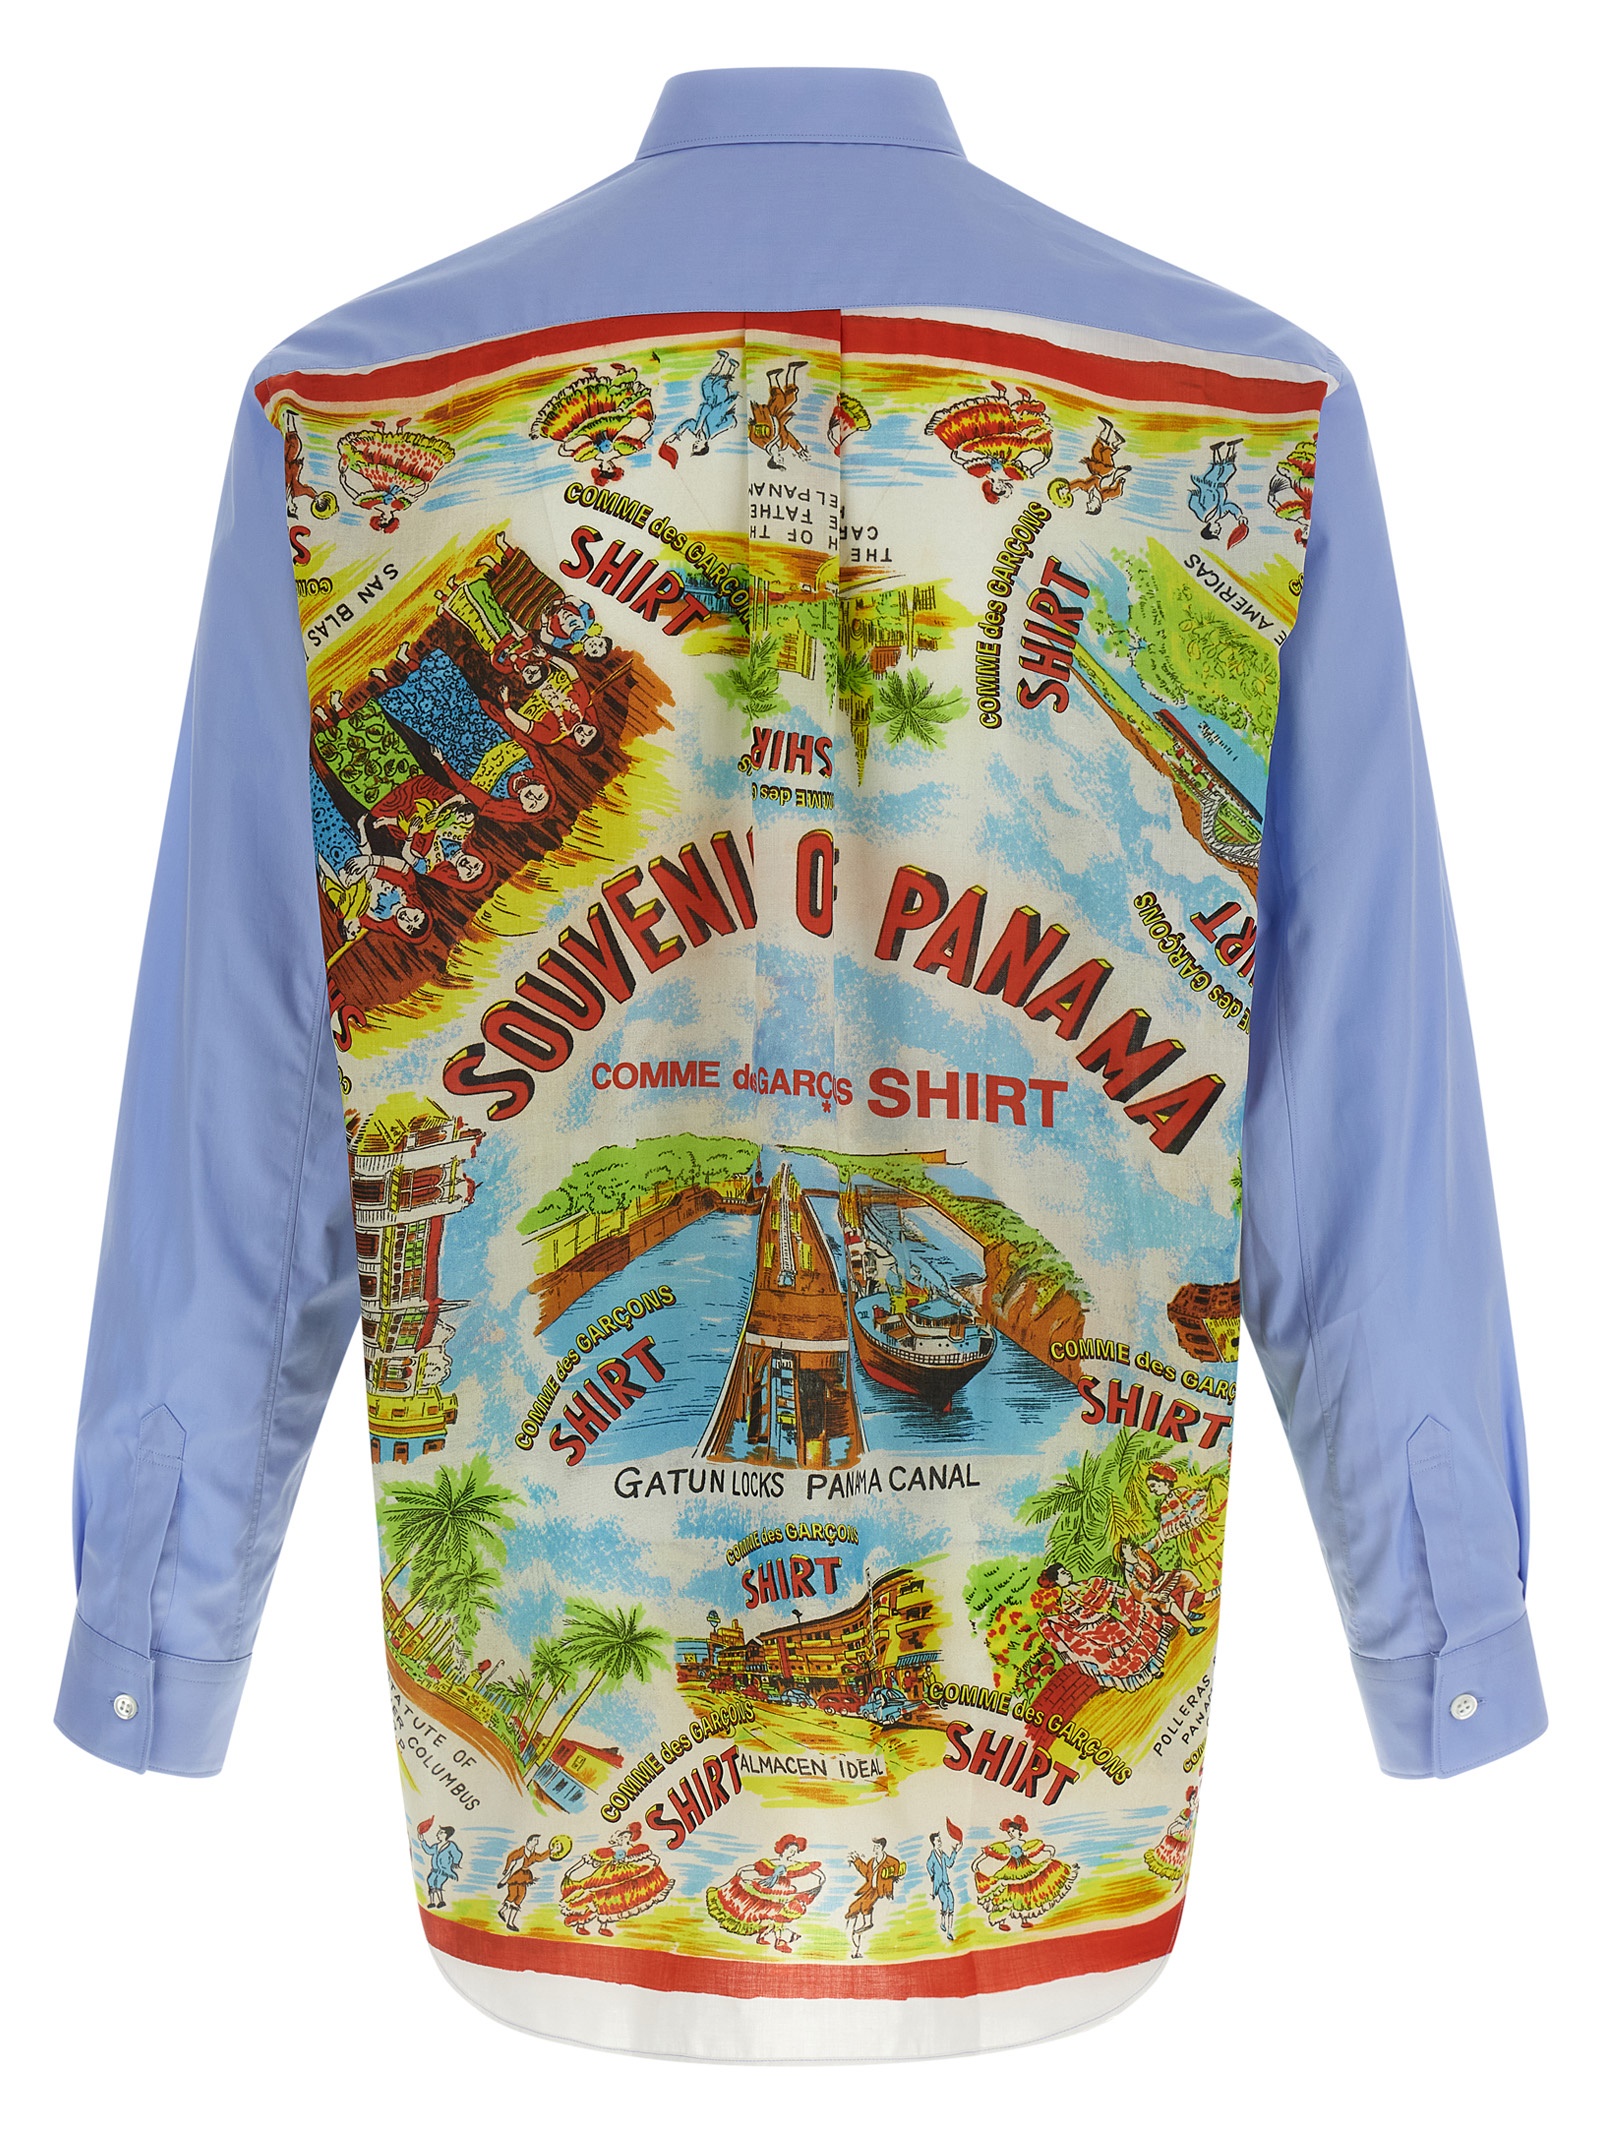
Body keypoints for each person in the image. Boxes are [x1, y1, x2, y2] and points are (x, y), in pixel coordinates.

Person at [705, 1834, 826, 1953]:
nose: (793, 1853)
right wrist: (742, 1870)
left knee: (778, 1917)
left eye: (795, 1852)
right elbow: (756, 1867)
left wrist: (821, 1879)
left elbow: (812, 1870)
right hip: (767, 1891)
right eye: (791, 1850)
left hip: (783, 1893)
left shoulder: (794, 1865)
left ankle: (771, 1939)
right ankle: (776, 1940)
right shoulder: (771, 1863)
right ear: (784, 1848)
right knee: (772, 1917)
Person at [558, 1822, 673, 1937]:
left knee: (611, 1903)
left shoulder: (633, 1849)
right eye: (622, 1837)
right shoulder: (611, 1849)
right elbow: (587, 1859)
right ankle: (580, 1924)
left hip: (626, 1873)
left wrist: (655, 1859)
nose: (624, 1839)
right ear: (617, 1838)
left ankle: (603, 1927)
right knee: (597, 1899)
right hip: (607, 1875)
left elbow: (647, 1855)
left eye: (627, 1836)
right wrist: (571, 1871)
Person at [972, 1816, 1076, 1932]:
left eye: (1013, 1831)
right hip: (1010, 1871)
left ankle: (1024, 1920)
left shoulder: (1024, 1844)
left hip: (1026, 1868)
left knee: (1026, 1893)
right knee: (1006, 1896)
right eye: (1009, 1832)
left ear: (1019, 1830)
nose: (1011, 1833)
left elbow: (1038, 1847)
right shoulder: (1006, 1845)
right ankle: (1001, 1921)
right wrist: (976, 1862)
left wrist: (1049, 1849)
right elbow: (989, 1852)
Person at [845, 1836, 904, 1958]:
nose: (874, 1849)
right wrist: (857, 1861)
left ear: (881, 1847)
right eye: (874, 1847)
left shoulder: (892, 1861)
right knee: (853, 1907)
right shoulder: (872, 1861)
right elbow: (866, 1873)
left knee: (866, 1904)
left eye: (876, 1847)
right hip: (870, 1889)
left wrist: (895, 1877)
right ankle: (853, 1938)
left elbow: (897, 1874)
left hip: (881, 1890)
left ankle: (867, 1923)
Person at [496, 1833, 554, 1930]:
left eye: (537, 1840)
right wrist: (506, 1869)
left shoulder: (533, 1854)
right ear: (529, 1841)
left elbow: (540, 1857)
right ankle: (502, 1911)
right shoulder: (521, 1851)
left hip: (524, 1878)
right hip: (515, 1877)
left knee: (520, 1898)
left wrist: (550, 1851)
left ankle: (510, 1923)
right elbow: (510, 1857)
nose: (537, 1842)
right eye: (535, 1840)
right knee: (512, 1896)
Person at [1144, 1787, 1198, 1885]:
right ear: (1189, 1800)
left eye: (1195, 1798)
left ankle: (1179, 1878)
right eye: (1192, 1799)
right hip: (1182, 1834)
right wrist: (1171, 1830)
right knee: (1174, 1852)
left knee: (1180, 1854)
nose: (1194, 1801)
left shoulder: (1193, 1810)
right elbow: (1179, 1822)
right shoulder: (1187, 1812)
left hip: (1185, 1834)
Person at [926, 1826, 961, 1942]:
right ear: (933, 1842)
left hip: (946, 1884)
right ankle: (942, 1921)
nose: (940, 1842)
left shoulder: (943, 1854)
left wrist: (955, 1851)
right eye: (938, 1840)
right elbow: (928, 1866)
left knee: (951, 1903)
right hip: (939, 1885)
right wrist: (933, 1877)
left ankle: (950, 1931)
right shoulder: (932, 1857)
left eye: (940, 1840)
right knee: (945, 1902)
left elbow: (949, 1863)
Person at [418, 1821, 462, 1911]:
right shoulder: (436, 1846)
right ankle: (432, 1902)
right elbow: (429, 1851)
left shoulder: (451, 1845)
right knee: (430, 1881)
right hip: (434, 1870)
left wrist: (456, 1862)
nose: (437, 1834)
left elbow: (457, 1854)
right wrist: (423, 1841)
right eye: (438, 1832)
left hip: (444, 1871)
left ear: (447, 1835)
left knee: (438, 1883)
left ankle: (441, 1901)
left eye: (441, 1833)